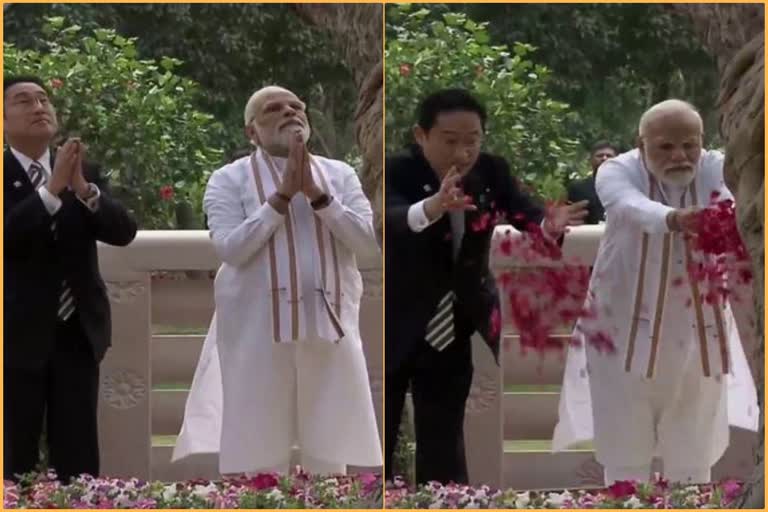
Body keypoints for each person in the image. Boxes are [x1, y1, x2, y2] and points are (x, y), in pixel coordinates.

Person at [172, 85, 382, 476]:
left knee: (330, 439)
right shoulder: (228, 179)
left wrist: (318, 196)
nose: (289, 112)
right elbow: (231, 248)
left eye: (296, 106)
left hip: (330, 321)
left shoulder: (339, 174)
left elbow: (368, 246)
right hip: (258, 326)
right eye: (274, 109)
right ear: (252, 132)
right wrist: (281, 197)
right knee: (259, 441)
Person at [385, 88, 588, 484]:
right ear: (420, 135)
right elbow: (390, 218)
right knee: (382, 430)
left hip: (458, 316)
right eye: (450, 140)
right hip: (398, 313)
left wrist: (549, 224)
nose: (463, 151)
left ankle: (444, 500)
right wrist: (432, 207)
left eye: (472, 140)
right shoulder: (397, 169)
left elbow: (527, 214)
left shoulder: (491, 170)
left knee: (443, 432)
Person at [553, 99, 759, 485]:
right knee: (624, 458)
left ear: (702, 141)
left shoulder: (716, 164)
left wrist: (721, 213)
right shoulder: (616, 170)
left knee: (694, 458)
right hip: (621, 335)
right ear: (641, 142)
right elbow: (630, 206)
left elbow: (731, 197)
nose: (680, 155)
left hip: (699, 338)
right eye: (666, 146)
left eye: (689, 144)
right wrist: (675, 219)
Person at [4, 76, 137, 482]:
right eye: (23, 100)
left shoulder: (85, 172)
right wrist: (51, 191)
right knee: (15, 450)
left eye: (44, 99)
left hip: (78, 329)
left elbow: (123, 232)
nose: (38, 106)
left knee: (78, 452)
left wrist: (84, 189)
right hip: (15, 332)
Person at [567, 141, 619, 224]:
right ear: (591, 160)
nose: (604, 158)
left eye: (609, 156)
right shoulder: (577, 188)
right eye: (599, 155)